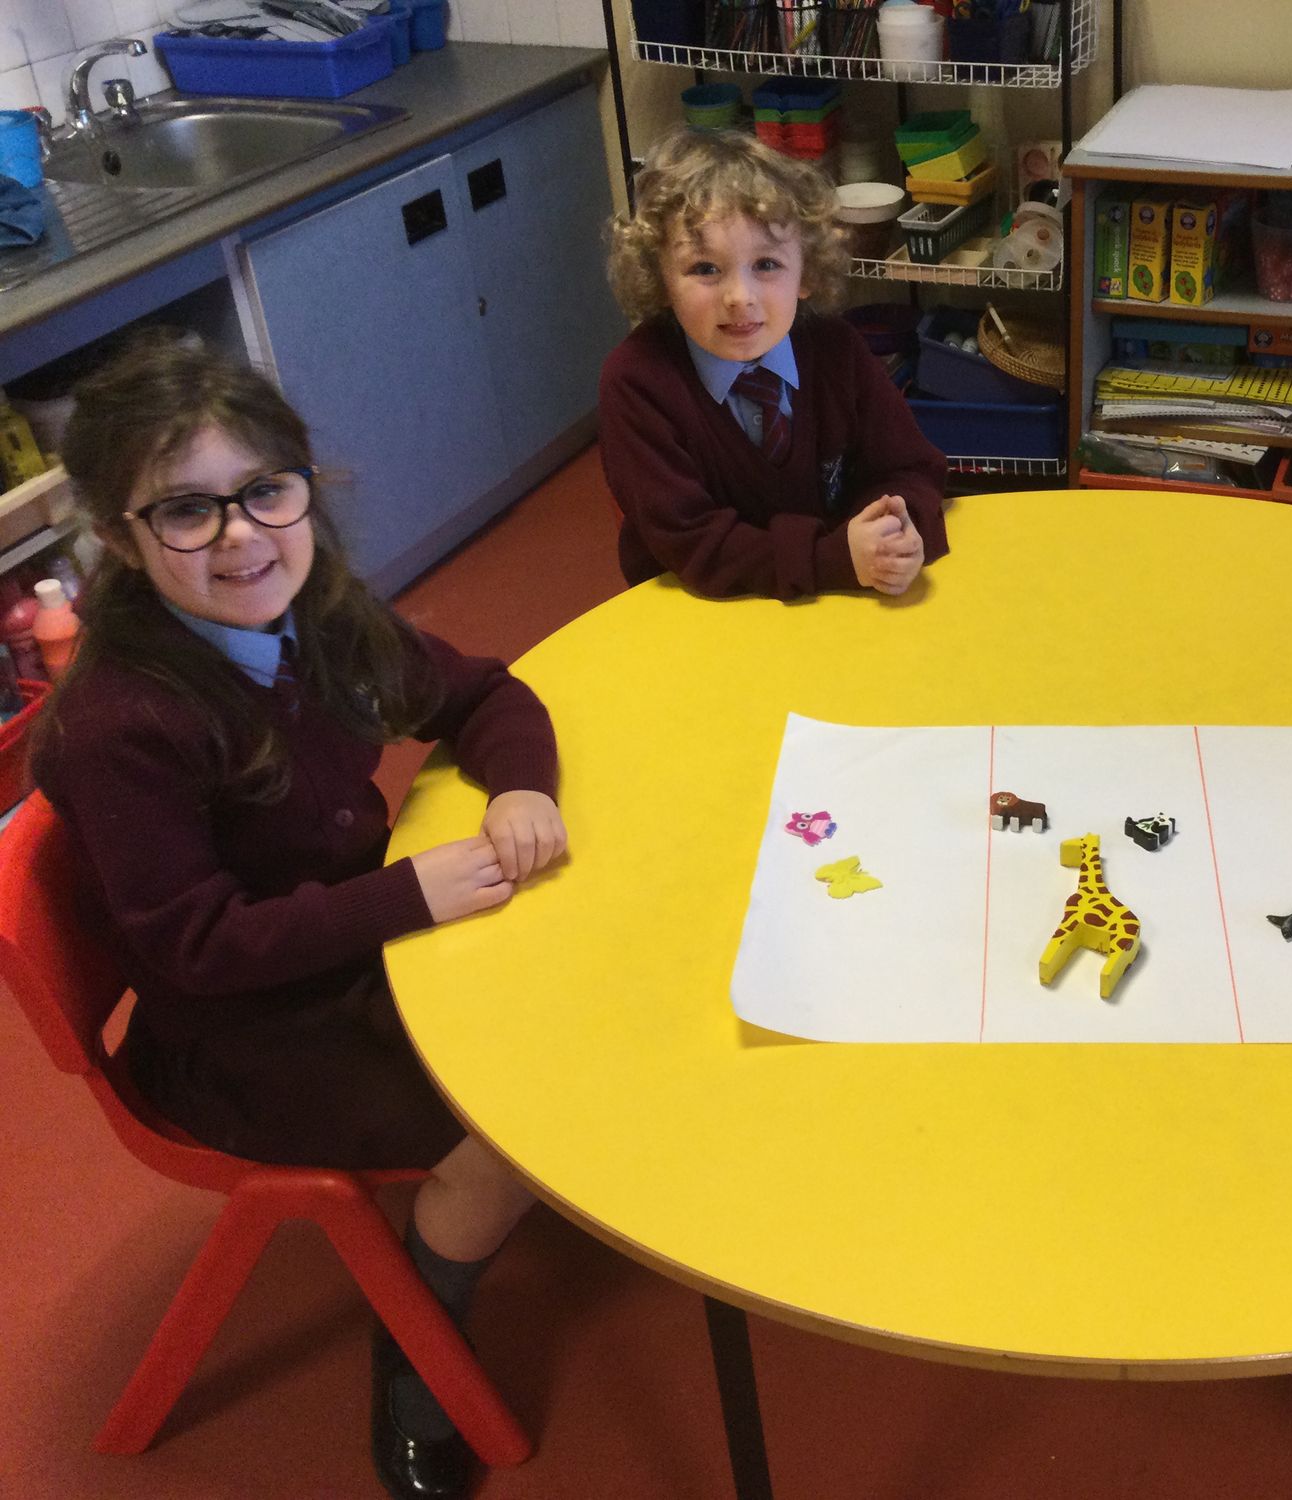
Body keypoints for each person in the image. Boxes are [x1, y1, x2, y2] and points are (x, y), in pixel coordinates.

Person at [31, 332, 567, 1500]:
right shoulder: (124, 726)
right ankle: (421, 1339)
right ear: (120, 537)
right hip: (241, 1034)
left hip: (342, 951)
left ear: (303, 488)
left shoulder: (317, 612)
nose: (241, 537)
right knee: (517, 1115)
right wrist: (405, 895)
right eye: (187, 511)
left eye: (264, 491)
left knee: (568, 977)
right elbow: (197, 946)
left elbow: (482, 692)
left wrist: (523, 785)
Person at [599, 127, 949, 601]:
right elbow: (693, 542)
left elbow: (911, 468)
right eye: (705, 268)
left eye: (766, 265)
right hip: (701, 613)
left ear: (806, 270)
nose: (740, 297)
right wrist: (833, 559)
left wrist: (895, 529)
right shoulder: (636, 381)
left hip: (834, 607)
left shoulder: (836, 350)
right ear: (660, 279)